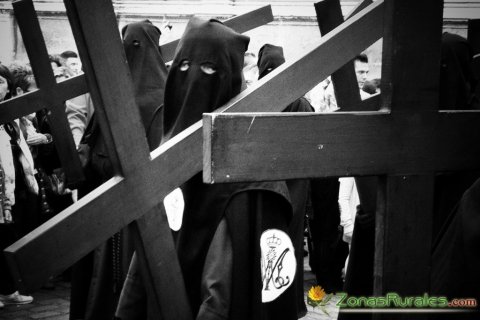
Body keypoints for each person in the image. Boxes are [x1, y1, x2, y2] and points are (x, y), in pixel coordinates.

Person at [116, 18, 299, 320]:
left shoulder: (250, 172)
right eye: (184, 66)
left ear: (230, 78)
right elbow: (144, 263)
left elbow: (221, 291)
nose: (194, 79)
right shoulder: (167, 151)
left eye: (211, 69)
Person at [69, 20, 168, 320]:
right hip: (149, 210)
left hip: (110, 204)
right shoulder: (166, 94)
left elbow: (96, 154)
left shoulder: (112, 94)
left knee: (107, 283)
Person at [256, 43, 314, 318]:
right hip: (295, 189)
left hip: (268, 189)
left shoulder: (255, 100)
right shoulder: (302, 102)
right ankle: (288, 308)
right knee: (287, 246)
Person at [0, 63, 35, 308]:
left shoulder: (11, 115)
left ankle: (7, 289)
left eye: (1, 81)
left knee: (8, 239)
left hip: (15, 187)